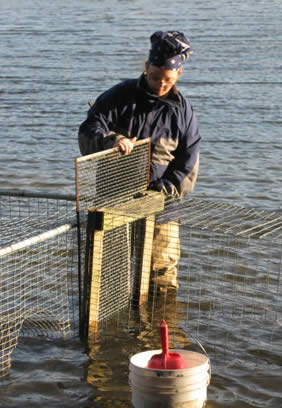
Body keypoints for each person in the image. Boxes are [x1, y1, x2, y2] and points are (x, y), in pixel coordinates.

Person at [78, 31, 200, 290]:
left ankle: (158, 314)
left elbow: (188, 157)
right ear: (146, 68)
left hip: (163, 203)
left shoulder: (183, 111)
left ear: (179, 74)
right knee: (109, 273)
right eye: (154, 77)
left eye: (167, 80)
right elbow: (89, 129)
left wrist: (166, 188)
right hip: (116, 197)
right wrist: (113, 140)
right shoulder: (118, 97)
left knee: (162, 275)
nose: (160, 84)